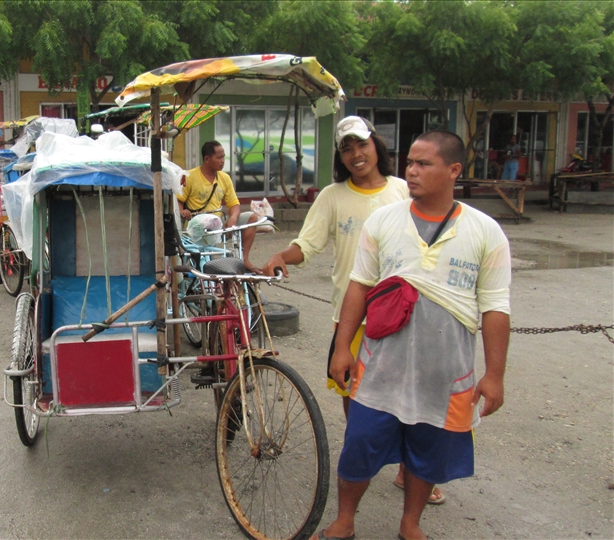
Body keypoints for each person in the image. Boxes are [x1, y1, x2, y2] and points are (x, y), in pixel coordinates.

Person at [314, 131, 511, 540]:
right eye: (410, 163)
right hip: (380, 367)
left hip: (445, 373)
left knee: (428, 454)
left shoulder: (485, 231)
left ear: (454, 170)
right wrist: (342, 348)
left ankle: (410, 524)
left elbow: (495, 308)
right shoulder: (384, 221)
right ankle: (344, 520)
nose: (412, 171)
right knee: (360, 445)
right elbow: (359, 285)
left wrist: (494, 374)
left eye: (424, 164)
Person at [262, 116, 444, 504]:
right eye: (347, 148)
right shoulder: (332, 196)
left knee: (409, 396)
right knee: (356, 400)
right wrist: (282, 255)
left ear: (376, 146)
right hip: (352, 317)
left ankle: (408, 470)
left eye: (361, 144)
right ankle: (361, 464)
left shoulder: (403, 190)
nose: (356, 154)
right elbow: (307, 245)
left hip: (407, 313)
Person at [177, 140, 258, 271]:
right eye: (219, 157)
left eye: (223, 157)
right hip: (199, 228)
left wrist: (233, 218)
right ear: (207, 159)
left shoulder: (224, 178)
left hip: (220, 225)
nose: (223, 161)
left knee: (251, 218)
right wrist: (182, 210)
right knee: (215, 268)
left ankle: (244, 259)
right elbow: (178, 200)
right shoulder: (190, 176)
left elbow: (234, 204)